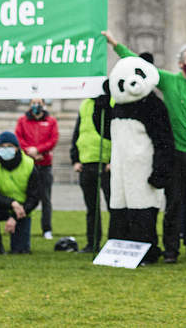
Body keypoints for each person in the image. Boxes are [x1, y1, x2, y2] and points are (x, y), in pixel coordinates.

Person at [104, 33, 186, 265]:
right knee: (174, 204)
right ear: (181, 64)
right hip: (177, 154)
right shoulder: (169, 81)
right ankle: (171, 250)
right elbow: (138, 64)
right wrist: (115, 44)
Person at [70, 81, 113, 253]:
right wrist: (75, 159)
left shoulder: (112, 103)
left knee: (113, 207)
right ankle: (92, 243)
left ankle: (114, 241)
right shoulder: (85, 104)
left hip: (107, 164)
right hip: (86, 163)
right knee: (92, 209)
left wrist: (114, 160)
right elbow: (77, 133)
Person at [0, 131, 40, 254]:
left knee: (20, 251)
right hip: (1, 207)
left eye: (10, 146)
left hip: (23, 210)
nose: (6, 149)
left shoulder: (29, 165)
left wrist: (15, 216)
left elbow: (34, 198)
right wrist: (12, 204)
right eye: (2, 147)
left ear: (17, 148)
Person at [15, 97, 58, 240]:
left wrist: (39, 150)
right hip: (27, 165)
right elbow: (18, 139)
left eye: (39, 103)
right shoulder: (22, 121)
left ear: (44, 105)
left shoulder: (51, 121)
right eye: (33, 103)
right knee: (25, 197)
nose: (36, 105)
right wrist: (30, 152)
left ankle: (47, 229)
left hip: (44, 165)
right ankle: (21, 225)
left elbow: (53, 140)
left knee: (46, 199)